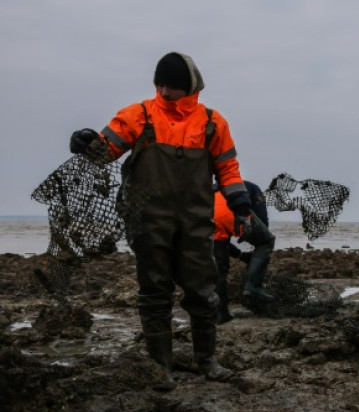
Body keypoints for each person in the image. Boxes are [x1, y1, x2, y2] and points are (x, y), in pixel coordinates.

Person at [68, 51, 254, 390]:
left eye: (173, 87)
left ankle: (207, 360)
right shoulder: (138, 115)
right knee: (155, 292)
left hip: (196, 222)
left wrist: (240, 204)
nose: (165, 92)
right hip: (148, 221)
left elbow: (228, 169)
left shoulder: (213, 123)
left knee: (203, 290)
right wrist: (85, 143)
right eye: (161, 85)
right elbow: (104, 152)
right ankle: (161, 368)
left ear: (191, 87)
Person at [213, 180, 276, 324]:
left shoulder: (216, 187)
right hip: (233, 210)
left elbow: (224, 244)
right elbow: (263, 224)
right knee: (266, 241)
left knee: (219, 270)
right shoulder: (254, 188)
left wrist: (242, 256)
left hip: (211, 213)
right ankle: (253, 285)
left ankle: (221, 314)